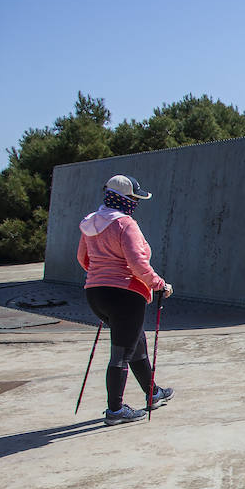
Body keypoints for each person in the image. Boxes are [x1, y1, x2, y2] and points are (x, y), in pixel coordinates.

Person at [77, 174, 174, 425]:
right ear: (123, 198)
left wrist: (103, 275)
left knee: (134, 340)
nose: (135, 203)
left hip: (95, 292)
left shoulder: (90, 223)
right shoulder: (125, 225)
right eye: (133, 198)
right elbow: (137, 263)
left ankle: (152, 393)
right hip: (125, 294)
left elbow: (83, 259)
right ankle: (115, 411)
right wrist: (159, 284)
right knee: (121, 352)